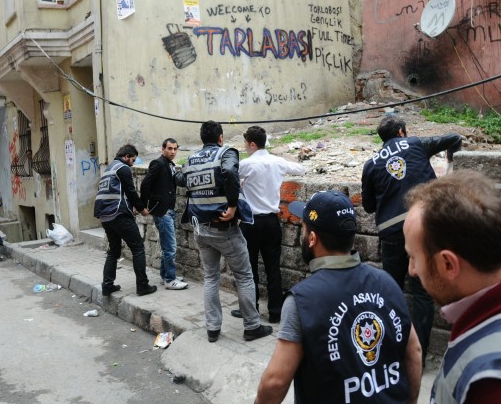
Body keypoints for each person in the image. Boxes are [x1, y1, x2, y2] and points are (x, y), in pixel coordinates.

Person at [255, 191, 422, 403]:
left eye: (304, 230)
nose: (303, 235)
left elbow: (275, 382)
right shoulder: (387, 282)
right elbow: (414, 351)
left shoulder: (302, 300)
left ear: (312, 239)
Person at [361, 114, 462, 365]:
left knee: (391, 291)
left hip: (391, 231)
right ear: (402, 132)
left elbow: (369, 206)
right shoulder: (417, 144)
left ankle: (391, 350)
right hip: (423, 225)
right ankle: (419, 356)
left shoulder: (371, 163)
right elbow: (454, 137)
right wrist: (450, 166)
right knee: (422, 294)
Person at [404, 170, 501, 403]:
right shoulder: (480, 317)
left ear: (448, 264)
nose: (412, 270)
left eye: (414, 257)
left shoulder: (488, 386)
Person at [175, 120, 272, 343]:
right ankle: (252, 326)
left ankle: (212, 329)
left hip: (201, 229)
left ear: (202, 139)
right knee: (245, 276)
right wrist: (232, 206)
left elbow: (180, 179)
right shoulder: (225, 154)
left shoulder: (191, 159)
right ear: (220, 138)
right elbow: (229, 171)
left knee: (210, 278)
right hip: (224, 228)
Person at [230, 126, 305, 323]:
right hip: (272, 221)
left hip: (251, 222)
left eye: (246, 144)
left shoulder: (245, 165)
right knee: (273, 268)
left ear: (252, 144)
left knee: (250, 268)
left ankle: (250, 309)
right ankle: (275, 312)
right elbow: (301, 169)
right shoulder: (277, 161)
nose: (245, 147)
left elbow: (228, 177)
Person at [94, 144, 157, 297]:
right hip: (118, 215)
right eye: (133, 160)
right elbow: (130, 191)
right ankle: (142, 286)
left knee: (114, 251)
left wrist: (130, 208)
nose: (133, 164)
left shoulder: (109, 169)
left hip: (105, 216)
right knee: (138, 248)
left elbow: (117, 193)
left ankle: (107, 286)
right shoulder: (123, 168)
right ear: (126, 156)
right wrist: (142, 209)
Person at [140, 138, 188, 290]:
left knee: (166, 245)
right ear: (163, 149)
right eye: (169, 148)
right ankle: (170, 279)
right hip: (163, 210)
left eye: (175, 149)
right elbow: (145, 184)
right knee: (170, 247)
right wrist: (143, 206)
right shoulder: (158, 163)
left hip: (169, 209)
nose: (173, 152)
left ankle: (165, 275)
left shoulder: (169, 164)